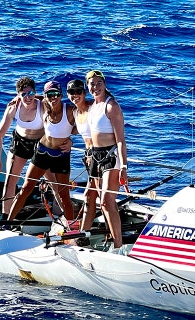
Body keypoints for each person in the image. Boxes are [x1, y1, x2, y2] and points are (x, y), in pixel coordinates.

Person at [8, 81, 76, 221]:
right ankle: (7, 223)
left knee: (64, 195)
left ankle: (72, 230)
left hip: (61, 156)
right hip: (42, 152)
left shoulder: (69, 110)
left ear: (61, 95)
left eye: (57, 94)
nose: (54, 98)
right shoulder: (44, 105)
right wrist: (17, 98)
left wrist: (71, 141)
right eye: (50, 94)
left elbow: (84, 125)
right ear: (45, 96)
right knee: (26, 188)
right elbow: (33, 97)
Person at [0, 76, 54, 219]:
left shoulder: (42, 106)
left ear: (35, 92)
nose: (28, 97)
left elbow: (52, 128)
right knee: (10, 181)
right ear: (18, 95)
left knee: (53, 180)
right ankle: (6, 218)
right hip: (20, 144)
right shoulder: (13, 108)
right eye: (24, 94)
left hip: (39, 144)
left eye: (31, 93)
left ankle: (59, 215)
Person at [85, 70, 128, 249]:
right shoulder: (93, 106)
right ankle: (111, 237)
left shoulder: (111, 107)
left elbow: (120, 140)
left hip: (111, 157)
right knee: (100, 202)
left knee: (106, 201)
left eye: (98, 83)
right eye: (92, 84)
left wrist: (124, 166)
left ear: (104, 84)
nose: (95, 87)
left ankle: (119, 246)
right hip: (95, 156)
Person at [66, 79, 98, 232]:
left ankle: (84, 233)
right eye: (72, 92)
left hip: (102, 156)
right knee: (91, 196)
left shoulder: (94, 106)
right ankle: (84, 233)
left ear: (85, 93)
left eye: (79, 91)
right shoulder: (74, 112)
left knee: (93, 196)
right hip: (89, 157)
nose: (75, 95)